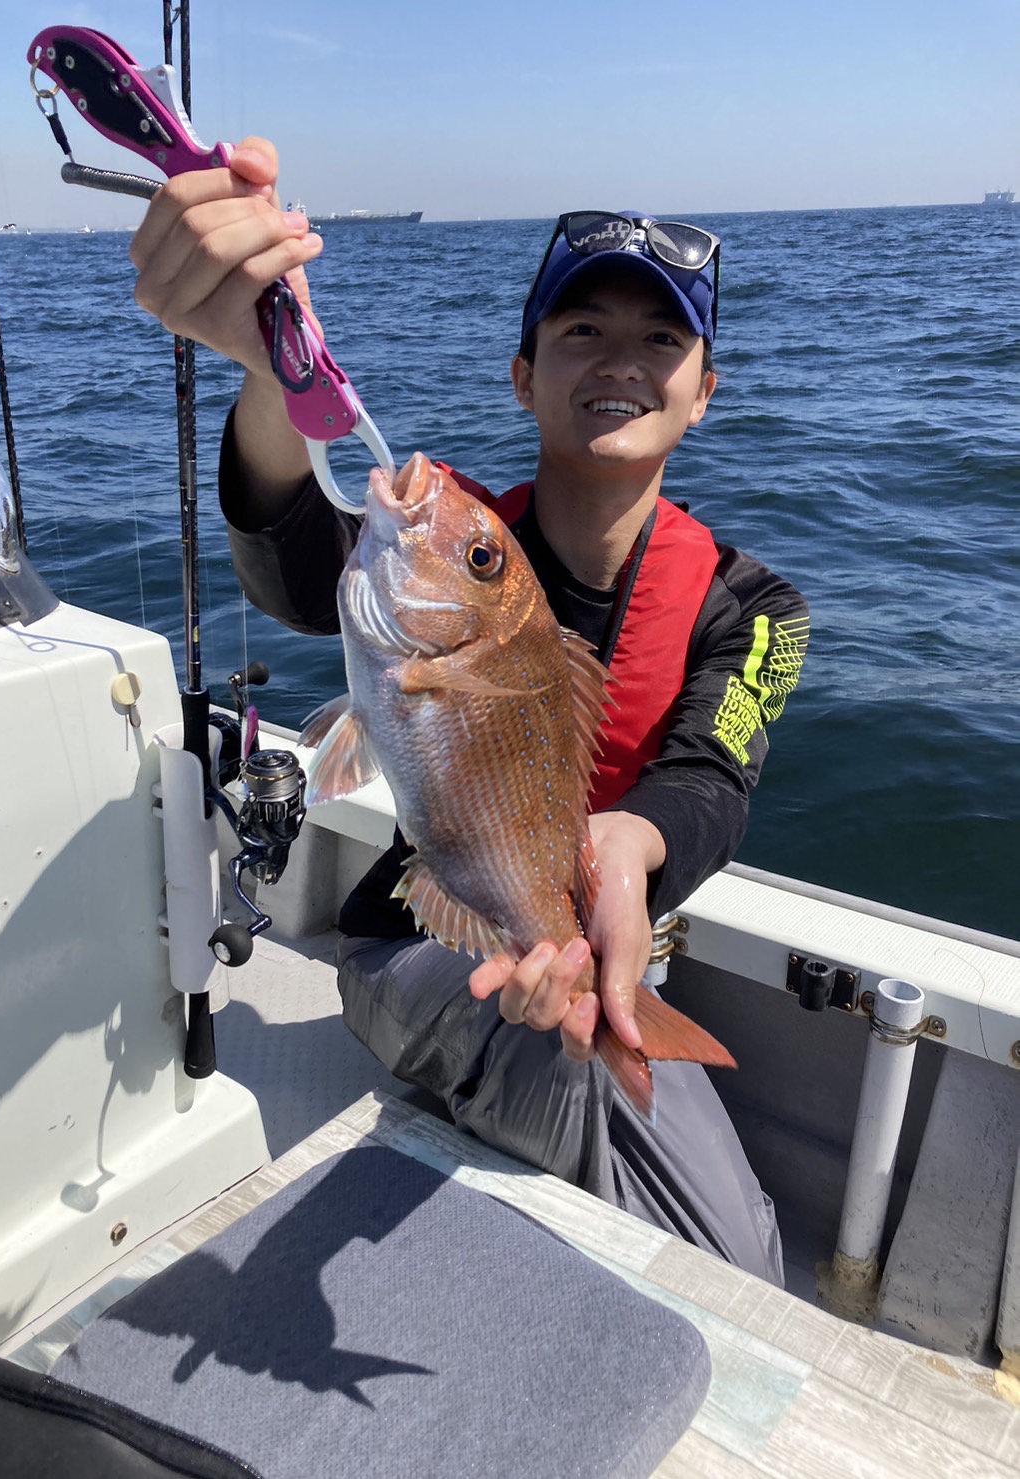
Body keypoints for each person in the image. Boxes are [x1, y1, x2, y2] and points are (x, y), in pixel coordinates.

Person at [131, 140, 808, 1285]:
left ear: (704, 391)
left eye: (661, 339)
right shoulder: (451, 544)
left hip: (584, 945)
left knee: (672, 1165)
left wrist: (626, 849)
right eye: (580, 330)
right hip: (420, 942)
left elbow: (708, 776)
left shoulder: (758, 610)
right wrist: (266, 373)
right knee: (720, 1246)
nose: (619, 362)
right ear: (521, 372)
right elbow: (298, 562)